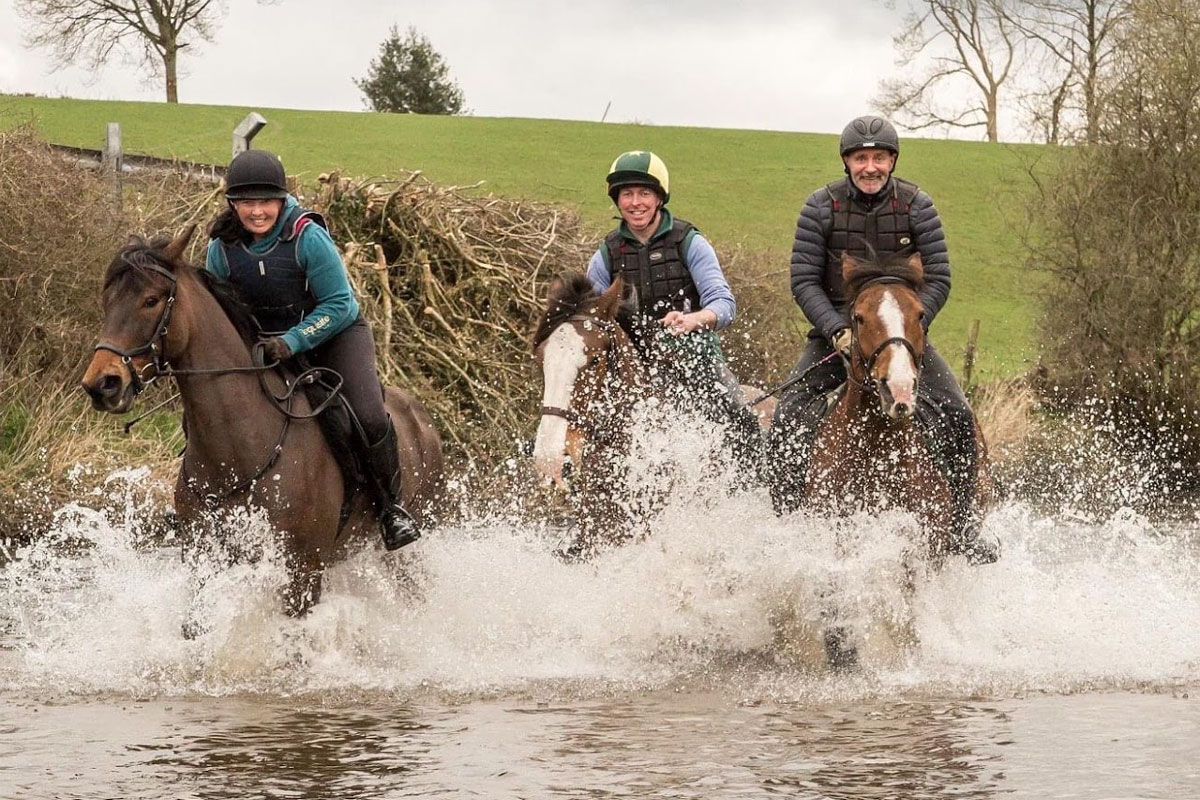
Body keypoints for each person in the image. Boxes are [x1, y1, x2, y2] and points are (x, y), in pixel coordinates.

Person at [767, 116, 999, 564]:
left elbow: (940, 279)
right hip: (837, 334)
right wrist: (837, 330)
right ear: (847, 162)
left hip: (901, 339)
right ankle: (786, 526)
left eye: (878, 157)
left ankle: (966, 527)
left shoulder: (917, 204)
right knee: (789, 415)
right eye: (860, 158)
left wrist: (908, 328)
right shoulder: (820, 207)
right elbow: (803, 280)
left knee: (955, 412)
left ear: (891, 160)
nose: (869, 167)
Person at [204, 148, 418, 551]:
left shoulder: (307, 236)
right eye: (246, 202)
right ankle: (199, 496)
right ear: (232, 203)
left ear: (281, 200)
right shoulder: (221, 248)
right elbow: (219, 316)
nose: (256, 212)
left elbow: (339, 304)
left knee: (369, 414)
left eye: (265, 202)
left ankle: (390, 509)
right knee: (213, 405)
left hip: (334, 335)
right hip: (268, 346)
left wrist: (293, 341)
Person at [585, 150, 761, 474]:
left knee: (740, 414)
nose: (635, 202)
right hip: (631, 363)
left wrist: (694, 319)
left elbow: (724, 304)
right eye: (627, 194)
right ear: (617, 200)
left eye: (644, 193)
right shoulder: (606, 254)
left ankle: (753, 490)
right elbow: (589, 318)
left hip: (693, 355)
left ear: (659, 198)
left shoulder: (689, 242)